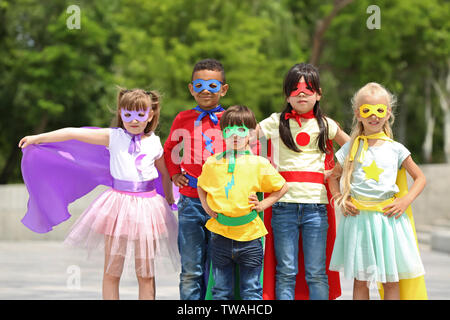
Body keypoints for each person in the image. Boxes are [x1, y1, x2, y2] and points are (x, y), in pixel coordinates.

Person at [19, 88, 179, 300]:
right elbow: (73, 132)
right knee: (112, 270)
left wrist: (169, 198)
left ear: (150, 115)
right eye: (128, 114)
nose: (133, 120)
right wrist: (38, 137)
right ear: (121, 113)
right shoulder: (113, 136)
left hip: (148, 208)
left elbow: (165, 173)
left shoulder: (154, 142)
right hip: (117, 207)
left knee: (146, 273)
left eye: (140, 114)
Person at [256, 63, 349, 300]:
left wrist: (336, 171)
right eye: (295, 89)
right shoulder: (275, 121)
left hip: (316, 209)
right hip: (283, 207)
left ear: (319, 94)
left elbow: (352, 149)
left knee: (316, 272)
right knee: (286, 271)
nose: (302, 93)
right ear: (287, 94)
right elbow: (242, 139)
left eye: (309, 88)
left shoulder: (326, 124)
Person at [328, 82, 426, 300]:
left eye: (380, 110)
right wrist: (340, 200)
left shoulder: (396, 149)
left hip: (388, 222)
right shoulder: (350, 147)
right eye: (367, 110)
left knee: (391, 281)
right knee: (361, 281)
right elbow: (332, 177)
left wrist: (404, 201)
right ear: (358, 114)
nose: (374, 116)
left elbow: (420, 178)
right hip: (359, 221)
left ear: (388, 113)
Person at [197, 105, 288, 300]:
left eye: (241, 130)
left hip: (250, 237)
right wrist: (207, 208)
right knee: (221, 291)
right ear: (222, 133)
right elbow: (201, 187)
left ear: (251, 133)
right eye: (229, 131)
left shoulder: (259, 163)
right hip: (220, 235)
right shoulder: (213, 163)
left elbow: (282, 187)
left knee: (251, 290)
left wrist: (263, 205)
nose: (235, 136)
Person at [163, 58, 229, 300]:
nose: (205, 91)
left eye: (212, 86)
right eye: (199, 85)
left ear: (223, 89)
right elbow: (169, 148)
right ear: (191, 88)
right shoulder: (183, 118)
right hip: (190, 203)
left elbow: (246, 153)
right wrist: (174, 174)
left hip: (222, 203)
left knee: (219, 268)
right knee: (191, 269)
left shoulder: (231, 119)